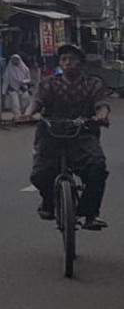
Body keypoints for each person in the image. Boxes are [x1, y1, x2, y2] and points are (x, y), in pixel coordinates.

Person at [25, 44, 112, 229]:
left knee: (97, 168)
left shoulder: (93, 84)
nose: (68, 63)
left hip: (83, 134)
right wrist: (29, 114)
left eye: (72, 59)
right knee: (40, 174)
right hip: (50, 134)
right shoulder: (48, 84)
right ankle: (49, 202)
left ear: (81, 64)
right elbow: (36, 102)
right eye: (64, 60)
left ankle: (90, 214)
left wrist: (102, 115)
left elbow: (101, 103)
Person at [3, 54, 34, 119]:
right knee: (15, 104)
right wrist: (4, 91)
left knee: (25, 102)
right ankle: (17, 116)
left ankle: (24, 115)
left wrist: (23, 81)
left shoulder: (25, 69)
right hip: (13, 88)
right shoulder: (9, 70)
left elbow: (28, 79)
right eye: (14, 60)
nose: (15, 61)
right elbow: (6, 80)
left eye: (17, 59)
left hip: (23, 87)